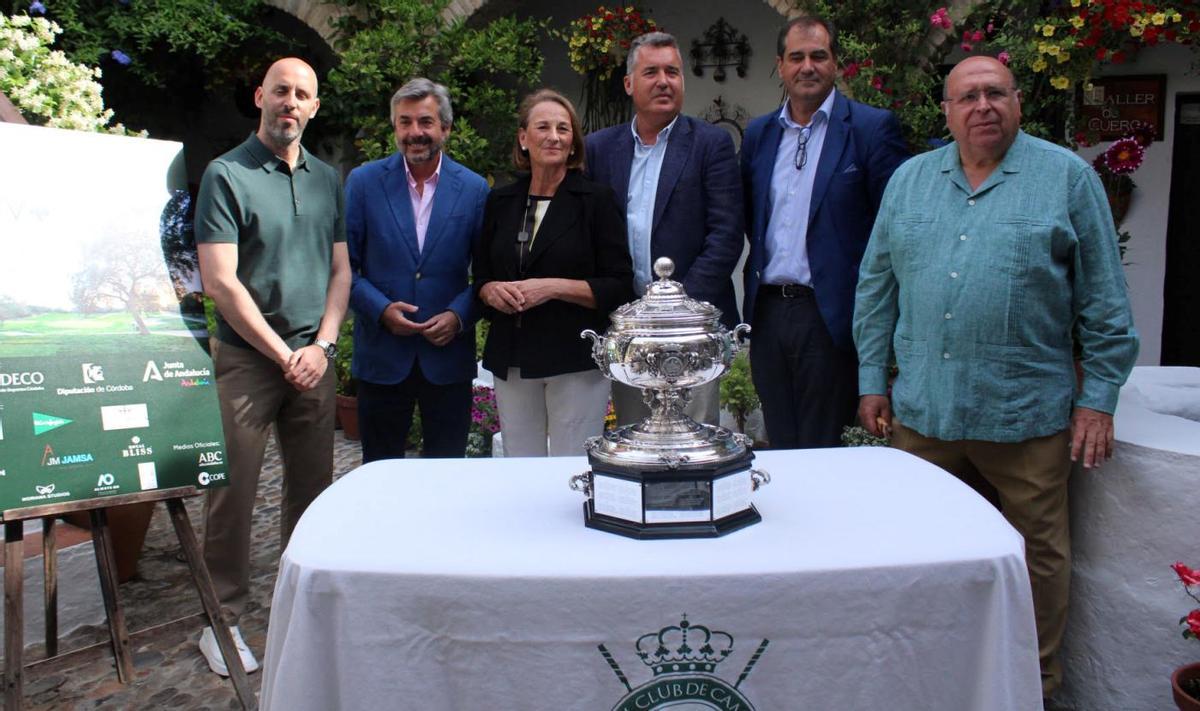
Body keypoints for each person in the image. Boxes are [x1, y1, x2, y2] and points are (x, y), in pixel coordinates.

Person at [852, 55, 1139, 700]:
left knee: (1037, 555)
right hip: (924, 412)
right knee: (920, 545)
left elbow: (1104, 300)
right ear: (947, 112)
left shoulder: (1066, 179)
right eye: (967, 97)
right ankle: (929, 672)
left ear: (1016, 102)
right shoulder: (909, 181)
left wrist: (1098, 399)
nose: (982, 106)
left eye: (995, 93)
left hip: (1025, 413)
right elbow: (876, 288)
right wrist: (874, 378)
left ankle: (1031, 685)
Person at [194, 57, 350, 676]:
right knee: (231, 495)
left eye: (302, 94)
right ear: (260, 95)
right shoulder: (225, 174)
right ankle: (221, 620)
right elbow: (220, 282)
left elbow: (341, 271)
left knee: (312, 492)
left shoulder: (326, 179)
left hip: (314, 358)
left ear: (314, 108)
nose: (290, 102)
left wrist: (324, 347)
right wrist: (284, 354)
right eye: (280, 90)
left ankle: (302, 606)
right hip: (249, 362)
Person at [740, 15, 908, 449]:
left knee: (820, 444)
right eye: (796, 57)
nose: (807, 66)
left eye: (818, 55)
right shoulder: (760, 134)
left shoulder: (871, 129)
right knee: (779, 438)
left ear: (835, 63)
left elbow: (893, 229)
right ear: (780, 65)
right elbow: (749, 217)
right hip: (769, 313)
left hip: (830, 314)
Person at [585, 31, 743, 427]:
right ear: (628, 83)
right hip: (626, 331)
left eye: (672, 71)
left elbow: (725, 235)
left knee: (694, 437)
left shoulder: (711, 144)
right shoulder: (599, 149)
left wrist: (679, 315)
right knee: (635, 435)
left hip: (691, 333)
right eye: (651, 71)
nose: (663, 81)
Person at [475, 89, 635, 456]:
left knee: (571, 468)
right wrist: (489, 291)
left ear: (574, 142)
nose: (554, 136)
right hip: (512, 356)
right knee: (521, 465)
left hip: (574, 359)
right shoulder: (500, 202)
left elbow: (619, 286)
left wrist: (551, 287)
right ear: (523, 138)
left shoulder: (596, 201)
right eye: (543, 127)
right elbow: (481, 276)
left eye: (564, 129)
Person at [345, 78, 489, 461]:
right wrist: (380, 310)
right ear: (394, 128)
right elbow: (344, 267)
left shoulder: (474, 189)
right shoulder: (363, 183)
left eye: (425, 122)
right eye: (404, 122)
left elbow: (489, 274)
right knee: (379, 471)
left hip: (447, 358)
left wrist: (458, 316)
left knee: (446, 470)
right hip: (382, 356)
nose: (415, 133)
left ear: (445, 127)